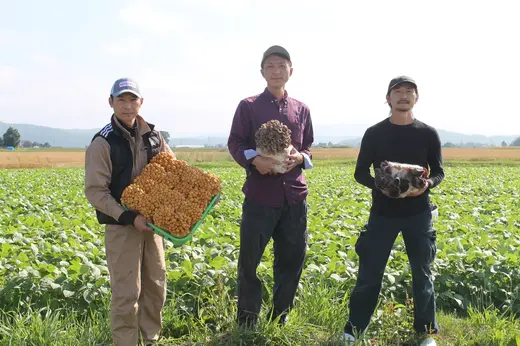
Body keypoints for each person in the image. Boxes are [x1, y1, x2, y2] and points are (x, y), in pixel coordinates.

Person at [342, 76, 444, 346]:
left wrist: (427, 185)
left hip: (419, 214)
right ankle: (353, 330)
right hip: (382, 214)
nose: (403, 95)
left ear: (416, 98)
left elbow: (439, 171)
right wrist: (383, 186)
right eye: (397, 92)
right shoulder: (375, 133)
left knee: (422, 273)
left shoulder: (428, 133)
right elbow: (360, 173)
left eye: (409, 92)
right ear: (387, 99)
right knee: (369, 274)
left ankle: (426, 334)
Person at [227, 45, 314, 328]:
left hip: (294, 197)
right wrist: (254, 162)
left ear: (291, 70)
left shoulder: (301, 109)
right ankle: (248, 318)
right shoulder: (249, 106)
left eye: (281, 65)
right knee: (249, 260)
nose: (276, 71)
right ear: (262, 72)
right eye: (270, 66)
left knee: (291, 258)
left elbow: (308, 146)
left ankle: (280, 315)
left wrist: (301, 158)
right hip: (260, 196)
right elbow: (236, 143)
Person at [84, 77, 175, 346]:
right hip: (121, 227)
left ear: (141, 102)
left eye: (132, 99)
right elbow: (96, 191)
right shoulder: (103, 142)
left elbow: (174, 170)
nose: (127, 106)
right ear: (110, 103)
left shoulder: (154, 137)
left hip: (153, 226)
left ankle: (151, 339)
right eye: (121, 100)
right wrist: (128, 216)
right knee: (126, 293)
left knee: (156, 286)